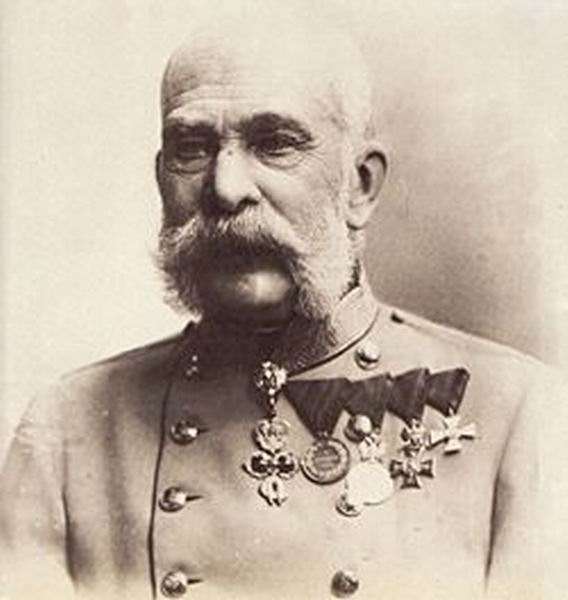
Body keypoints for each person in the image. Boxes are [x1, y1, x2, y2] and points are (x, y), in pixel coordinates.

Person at [1, 6, 566, 600]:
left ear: (360, 185)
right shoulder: (64, 433)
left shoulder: (524, 418)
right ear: (161, 177)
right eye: (192, 148)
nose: (225, 189)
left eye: (275, 144)